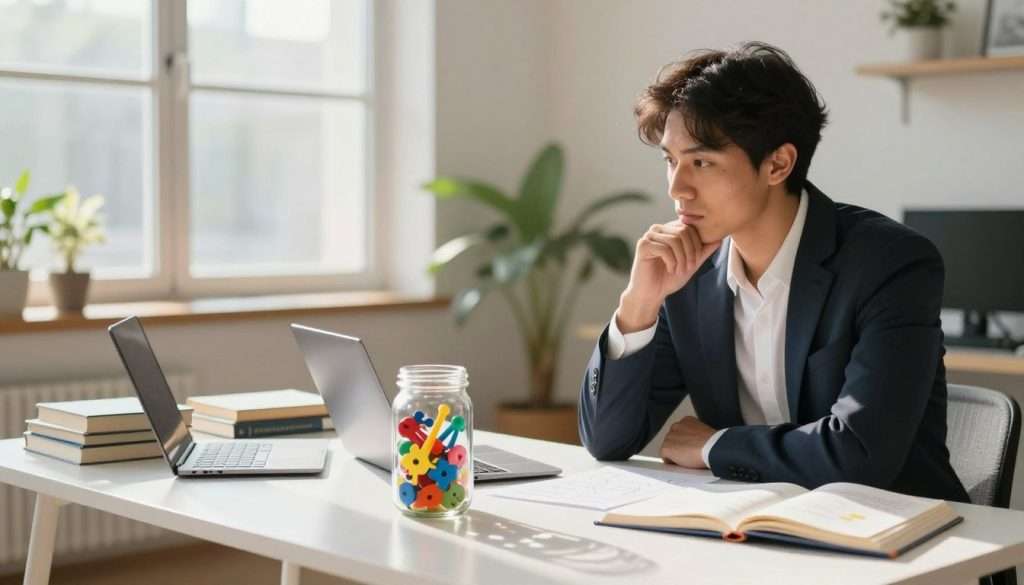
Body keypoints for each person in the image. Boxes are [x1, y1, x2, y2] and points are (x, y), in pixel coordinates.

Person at [577, 41, 968, 502]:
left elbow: (859, 457)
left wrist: (714, 446)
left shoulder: (889, 263)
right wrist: (638, 306)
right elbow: (607, 440)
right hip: (754, 533)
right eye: (670, 160)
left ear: (778, 164)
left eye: (701, 162)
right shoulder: (688, 277)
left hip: (902, 544)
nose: (677, 188)